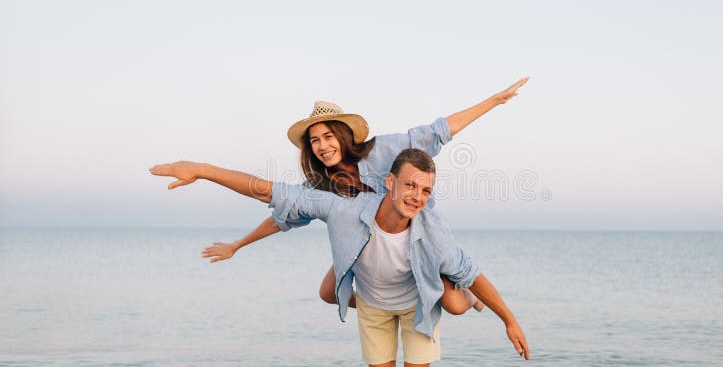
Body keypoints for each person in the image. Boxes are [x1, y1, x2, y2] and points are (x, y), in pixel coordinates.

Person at [151, 149, 530, 367]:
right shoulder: (343, 209)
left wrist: (509, 320)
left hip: (419, 302)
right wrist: (203, 170)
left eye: (426, 190)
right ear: (391, 183)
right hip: (375, 304)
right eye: (411, 186)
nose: (417, 197)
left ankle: (449, 288)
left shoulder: (434, 233)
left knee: (429, 353)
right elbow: (271, 191)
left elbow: (474, 273)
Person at [197, 77, 529, 312]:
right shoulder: (320, 186)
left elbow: (438, 131)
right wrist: (237, 245)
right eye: (315, 141)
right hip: (366, 248)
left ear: (343, 135)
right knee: (329, 293)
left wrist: (493, 101)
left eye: (328, 137)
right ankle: (380, 305)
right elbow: (281, 218)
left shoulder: (383, 149)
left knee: (456, 304)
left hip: (415, 238)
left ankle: (472, 295)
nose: (323, 146)